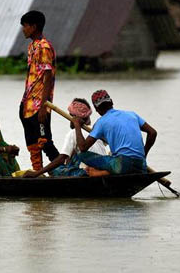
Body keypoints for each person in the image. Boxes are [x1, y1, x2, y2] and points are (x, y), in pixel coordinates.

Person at [29, 90, 156, 177]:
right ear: (112, 102)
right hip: (141, 165)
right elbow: (152, 133)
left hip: (122, 165)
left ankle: (103, 173)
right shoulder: (132, 115)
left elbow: (83, 148)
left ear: (97, 109)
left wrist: (78, 127)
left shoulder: (101, 123)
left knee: (81, 154)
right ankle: (105, 171)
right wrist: (143, 156)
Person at [23, 97, 108, 178]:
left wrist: (37, 173)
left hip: (87, 171)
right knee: (72, 155)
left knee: (54, 170)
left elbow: (61, 159)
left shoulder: (73, 133)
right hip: (102, 167)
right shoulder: (95, 132)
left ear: (73, 117)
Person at [19, 10, 59, 171]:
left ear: (34, 27)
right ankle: (38, 172)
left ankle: (61, 172)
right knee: (32, 143)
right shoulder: (32, 46)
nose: (23, 29)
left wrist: (44, 106)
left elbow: (47, 77)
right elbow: (32, 77)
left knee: (45, 142)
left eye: (26, 26)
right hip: (27, 103)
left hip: (39, 105)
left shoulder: (44, 47)